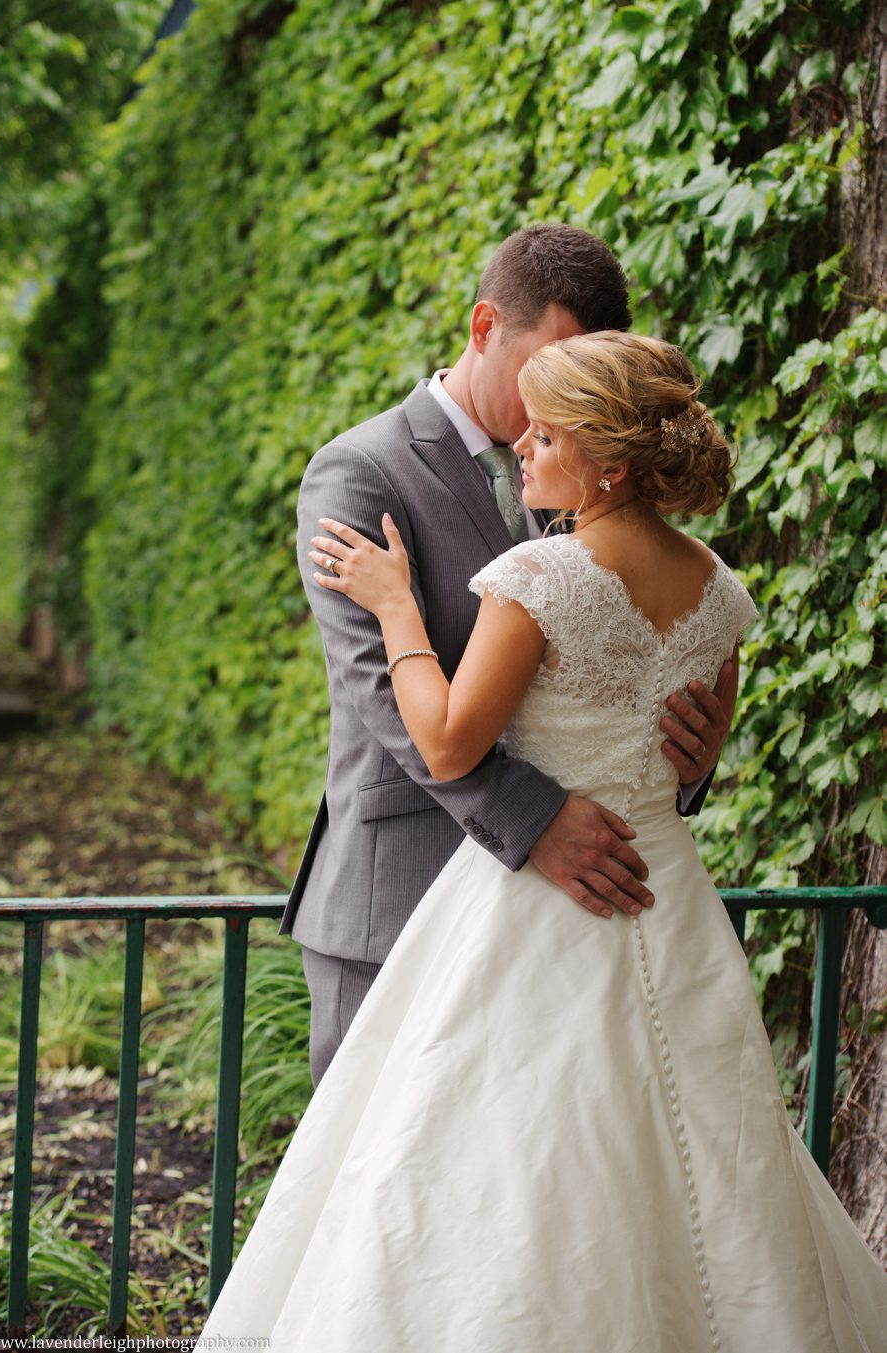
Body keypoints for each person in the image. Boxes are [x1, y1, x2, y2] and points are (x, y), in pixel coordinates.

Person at [202, 333, 887, 1350]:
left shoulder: (541, 575)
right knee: (686, 1162)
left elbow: (444, 740)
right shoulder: (720, 591)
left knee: (505, 1165)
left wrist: (395, 607)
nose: (523, 446)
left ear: (606, 461)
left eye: (547, 435)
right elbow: (685, 758)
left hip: (529, 915)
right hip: (669, 903)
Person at [281, 224, 733, 1086]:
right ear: (486, 325)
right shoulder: (359, 472)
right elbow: (380, 689)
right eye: (554, 362)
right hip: (400, 898)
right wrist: (537, 821)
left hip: (564, 925)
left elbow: (620, 664)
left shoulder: (582, 471)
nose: (565, 400)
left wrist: (684, 756)